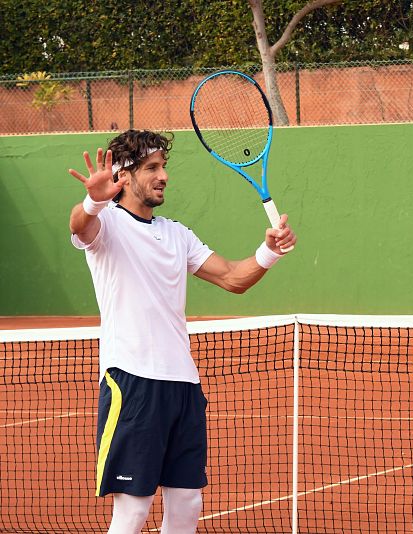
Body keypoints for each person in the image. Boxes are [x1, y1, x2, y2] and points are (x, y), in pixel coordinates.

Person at [68, 129, 296, 533]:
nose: (163, 176)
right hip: (132, 381)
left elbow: (232, 277)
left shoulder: (177, 233)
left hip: (184, 385)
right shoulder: (107, 226)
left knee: (188, 504)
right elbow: (81, 225)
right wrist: (93, 201)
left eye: (164, 166)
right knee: (133, 511)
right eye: (152, 168)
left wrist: (269, 252)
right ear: (124, 176)